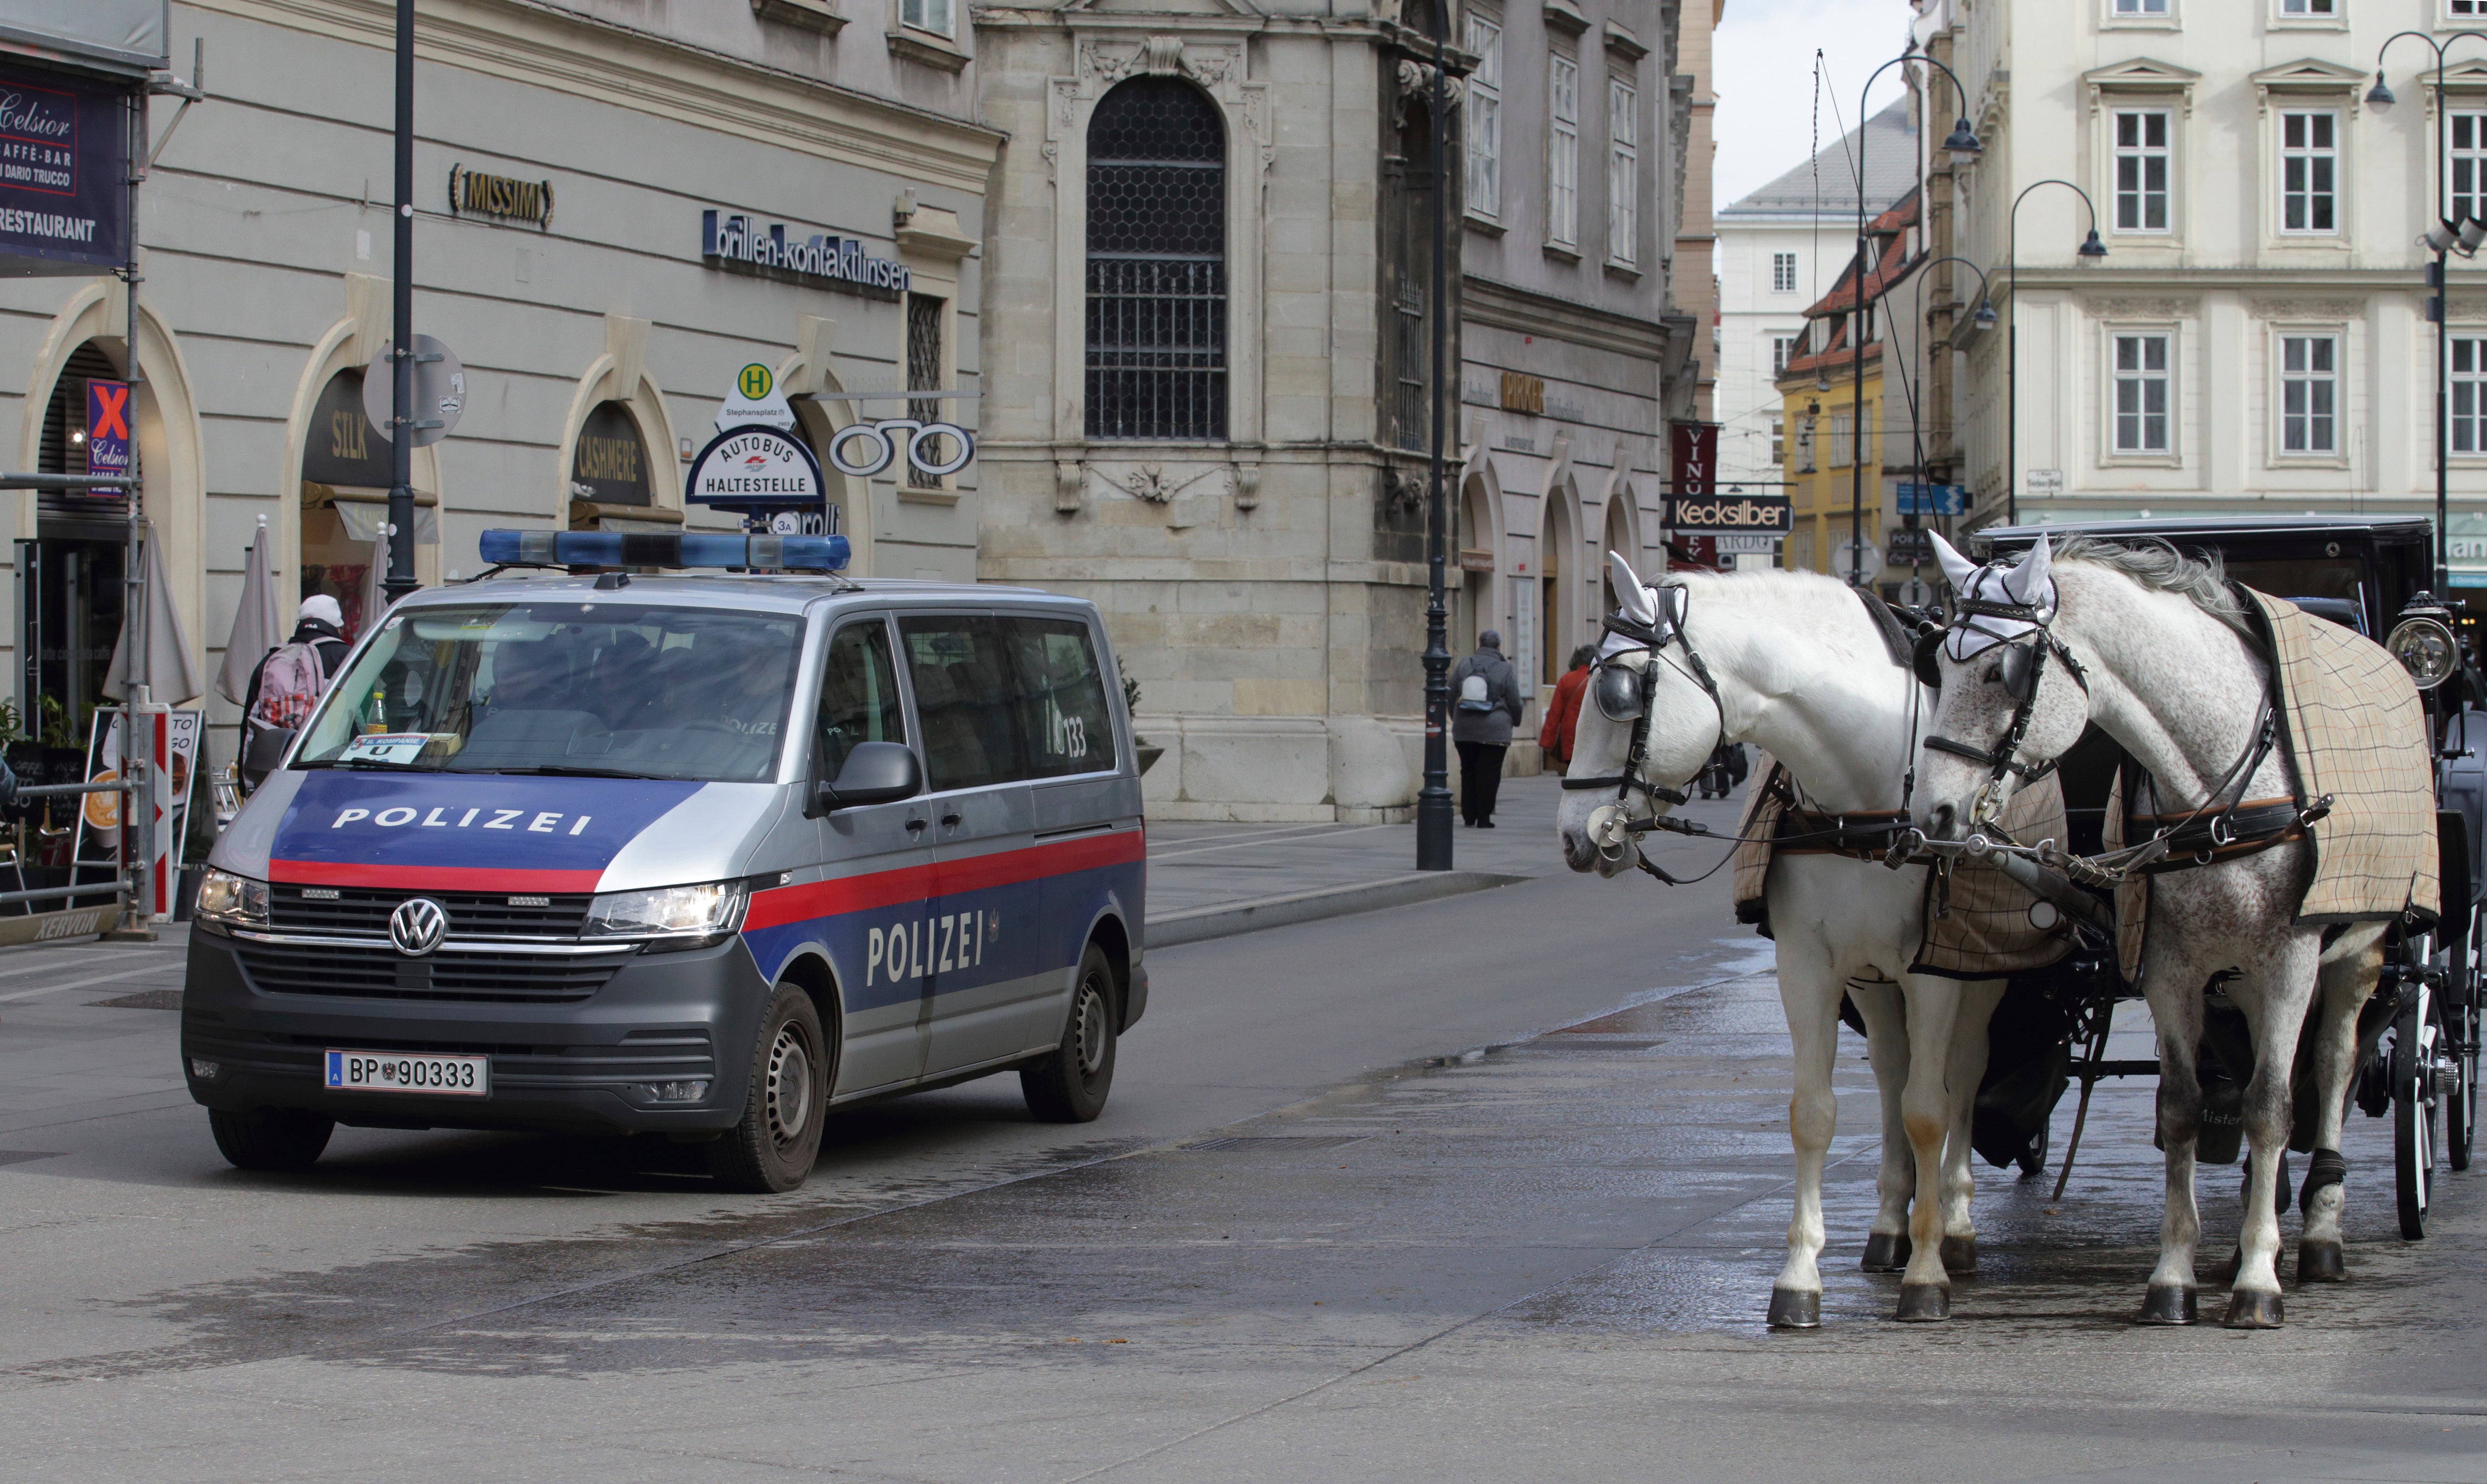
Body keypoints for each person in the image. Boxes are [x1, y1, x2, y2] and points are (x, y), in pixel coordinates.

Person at [239, 595, 350, 786]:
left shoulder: (270, 660)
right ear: (338, 628)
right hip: (331, 775)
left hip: (276, 776)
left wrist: (245, 783)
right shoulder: (347, 657)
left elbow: (249, 726)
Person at [1450, 630, 1525, 828]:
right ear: (1498, 647)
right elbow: (1515, 701)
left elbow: (1450, 693)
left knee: (1468, 771)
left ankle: (1468, 815)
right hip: (1495, 729)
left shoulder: (1464, 664)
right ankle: (1484, 817)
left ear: (1480, 644)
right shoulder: (1505, 669)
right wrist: (1514, 721)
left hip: (1464, 729)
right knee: (1490, 773)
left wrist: (1455, 718)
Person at [1538, 643, 1595, 771]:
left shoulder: (1566, 680)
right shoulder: (1600, 679)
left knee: (1573, 771)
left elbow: (1555, 713)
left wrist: (1547, 741)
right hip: (1593, 734)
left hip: (1570, 734)